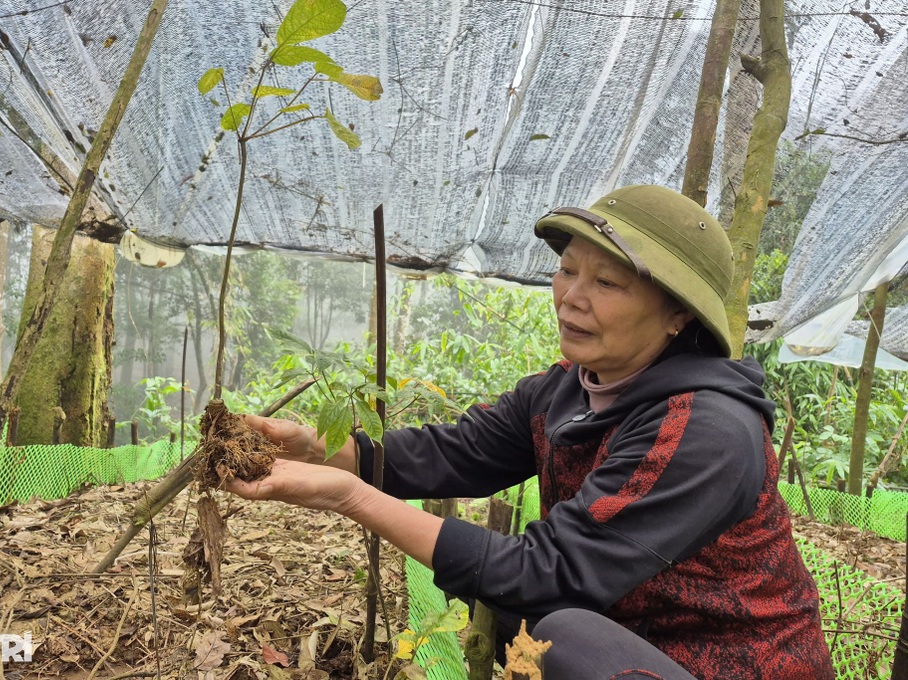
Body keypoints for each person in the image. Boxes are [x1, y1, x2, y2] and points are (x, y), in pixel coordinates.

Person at [227, 185, 835, 679]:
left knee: (559, 632)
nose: (571, 297)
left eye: (608, 283)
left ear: (679, 315)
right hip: (634, 642)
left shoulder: (707, 429)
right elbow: (458, 454)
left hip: (727, 666)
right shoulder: (566, 388)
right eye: (568, 270)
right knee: (508, 606)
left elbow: (551, 572)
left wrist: (350, 497)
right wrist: (325, 450)